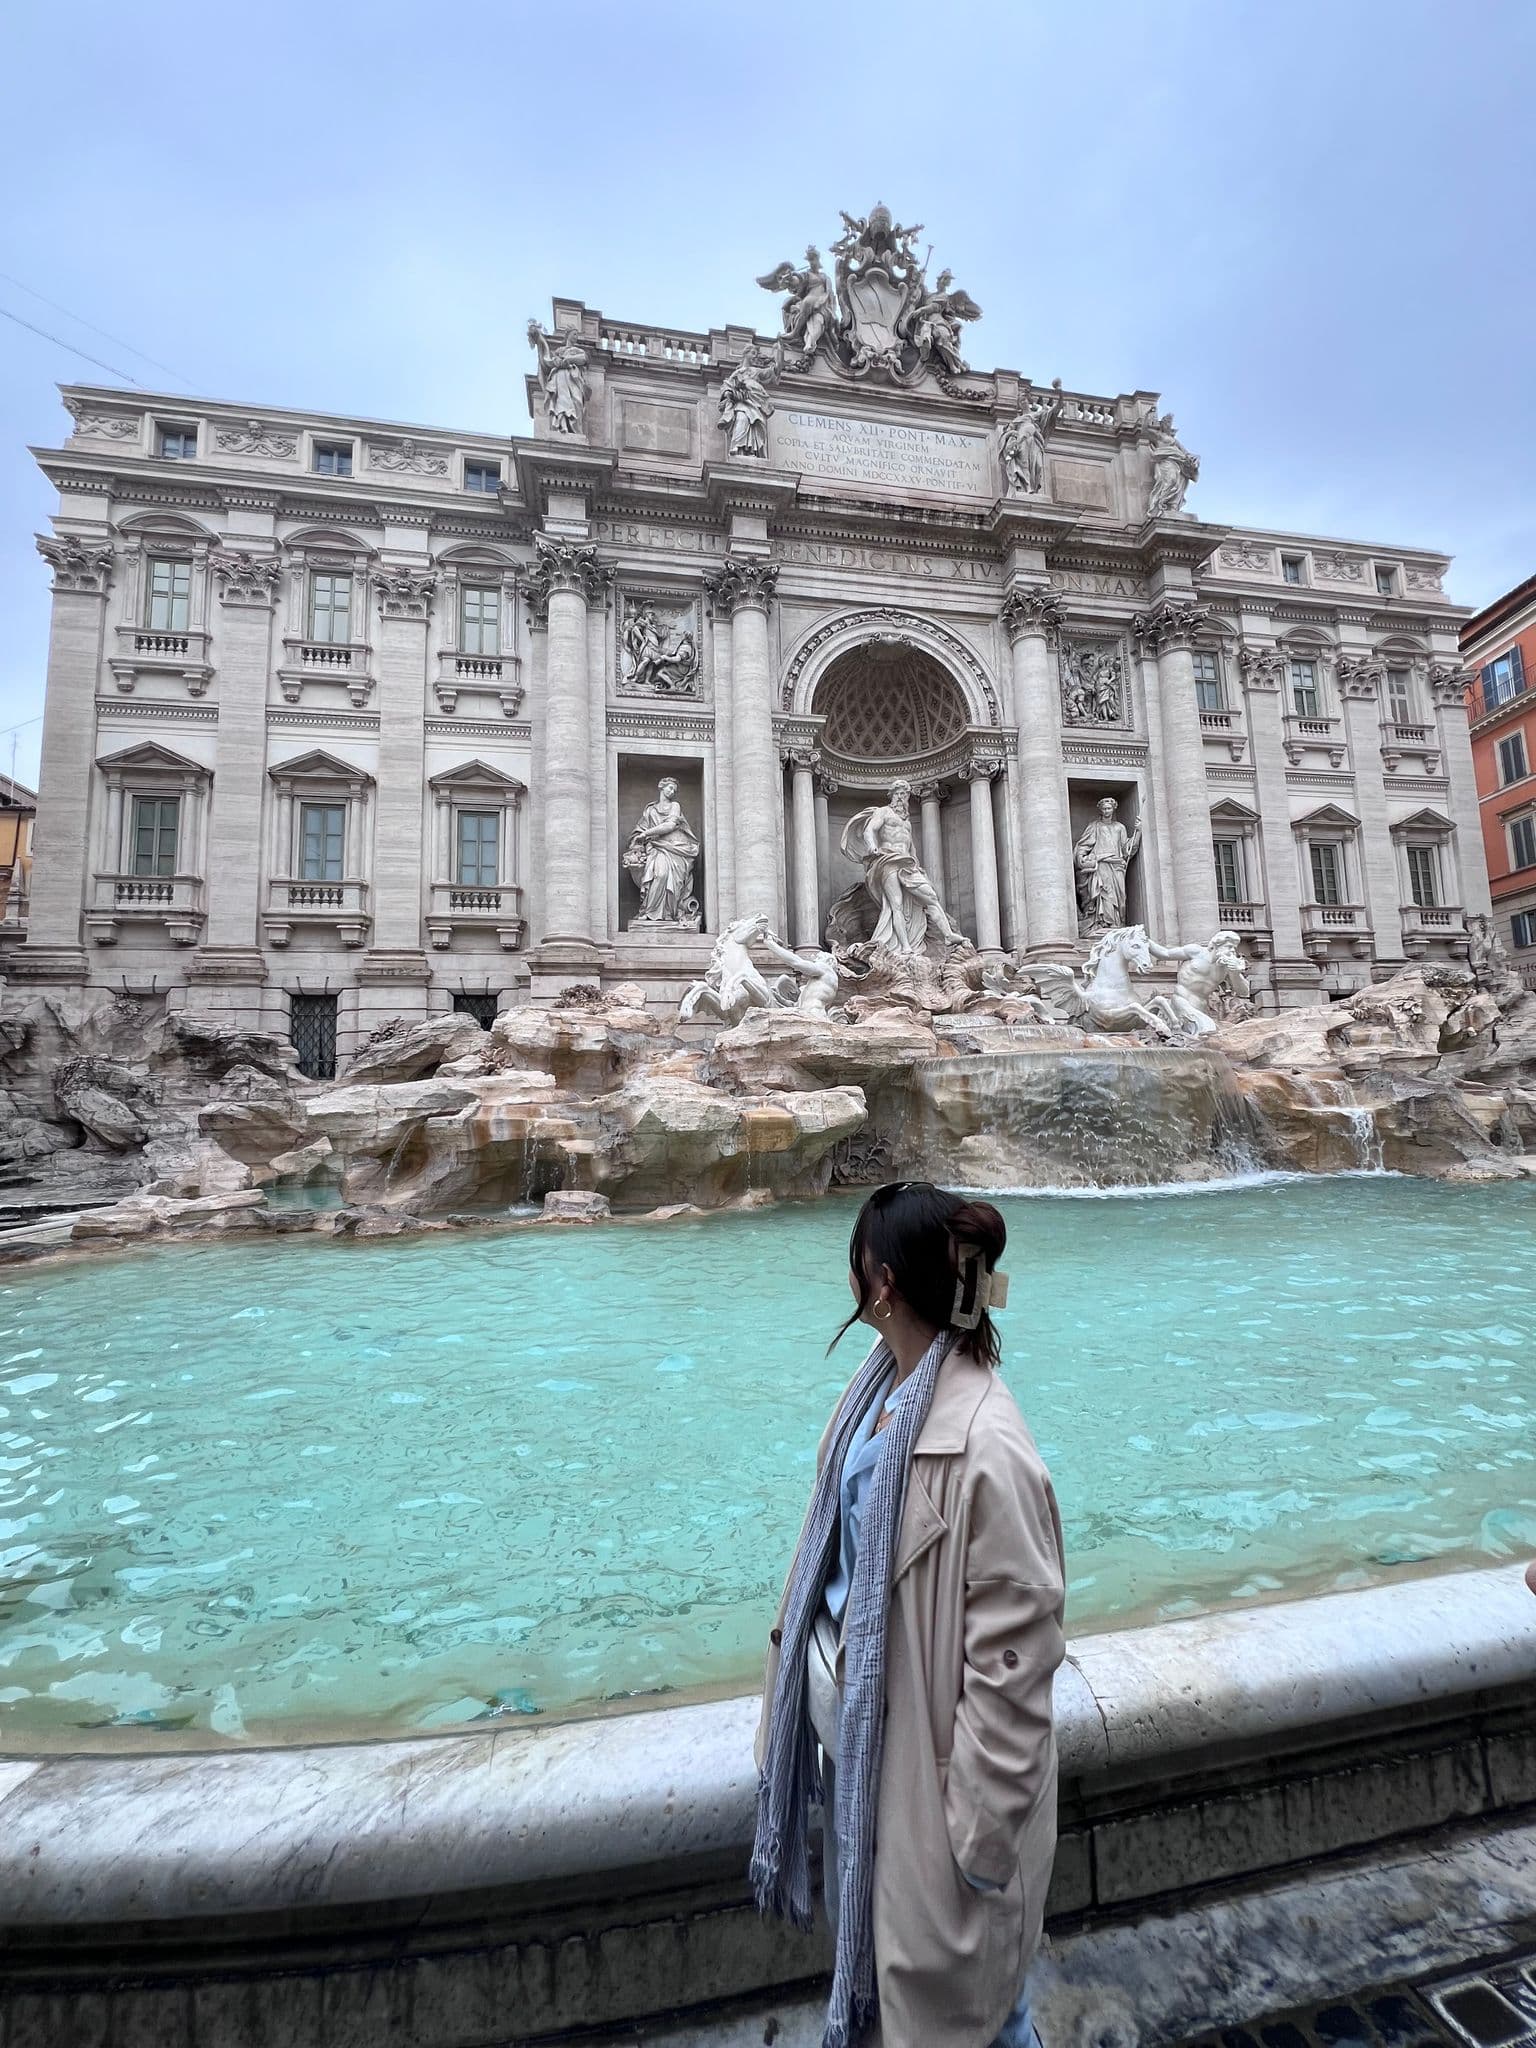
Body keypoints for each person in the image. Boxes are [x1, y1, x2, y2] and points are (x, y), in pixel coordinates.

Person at [754, 1183, 1065, 2048]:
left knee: (985, 2019)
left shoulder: (988, 1445)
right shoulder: (879, 1391)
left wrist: (972, 1844)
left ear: (882, 1283)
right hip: (874, 1762)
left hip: (935, 1805)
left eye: (856, 1261)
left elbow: (1016, 1663)